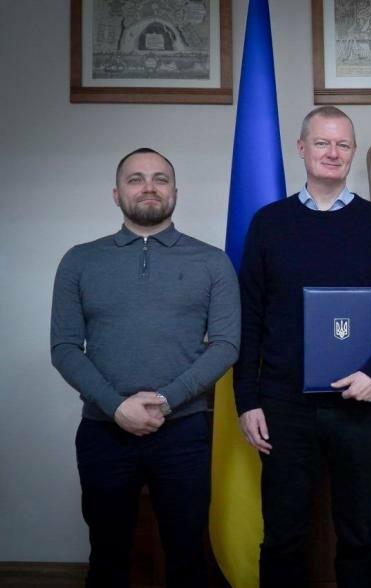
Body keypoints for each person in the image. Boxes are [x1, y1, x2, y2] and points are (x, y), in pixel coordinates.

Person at [234, 106, 371, 588]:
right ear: (301, 148)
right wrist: (246, 400)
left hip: (359, 406)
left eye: (342, 144)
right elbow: (248, 316)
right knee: (283, 536)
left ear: (353, 152)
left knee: (358, 534)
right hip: (284, 408)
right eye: (322, 143)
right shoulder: (269, 223)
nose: (333, 153)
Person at [50, 147, 241, 587]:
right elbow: (64, 347)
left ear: (175, 191)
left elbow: (227, 345)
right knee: (108, 555)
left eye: (160, 178)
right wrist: (117, 407)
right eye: (135, 179)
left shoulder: (212, 262)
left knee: (187, 555)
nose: (149, 187)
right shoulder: (80, 260)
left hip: (185, 433)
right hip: (103, 431)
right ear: (116, 194)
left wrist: (165, 401)